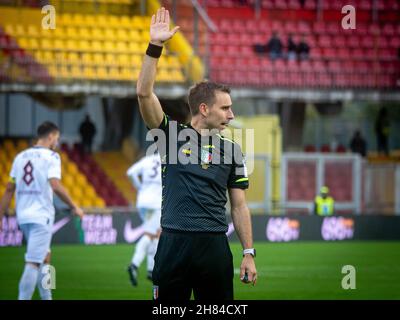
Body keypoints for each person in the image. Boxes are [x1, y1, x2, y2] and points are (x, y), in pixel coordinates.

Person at [136, 7, 257, 301]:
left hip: (214, 247)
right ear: (204, 109)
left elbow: (239, 207)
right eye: (225, 107)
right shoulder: (170, 137)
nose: (232, 113)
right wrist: (155, 47)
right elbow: (143, 93)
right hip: (173, 245)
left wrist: (249, 253)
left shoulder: (232, 149)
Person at [0, 121, 84, 300]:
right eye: (57, 138)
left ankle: (47, 297)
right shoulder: (52, 157)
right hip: (41, 217)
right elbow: (55, 185)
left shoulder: (20, 157)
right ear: (51, 136)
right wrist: (74, 206)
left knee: (45, 256)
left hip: (23, 216)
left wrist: (0, 216)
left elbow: (8, 189)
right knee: (33, 262)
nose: (57, 142)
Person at [126, 152, 162, 286]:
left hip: (142, 201)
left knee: (155, 235)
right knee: (153, 234)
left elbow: (130, 172)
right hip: (156, 203)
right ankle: (134, 264)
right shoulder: (167, 161)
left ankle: (151, 269)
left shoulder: (147, 160)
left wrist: (140, 187)